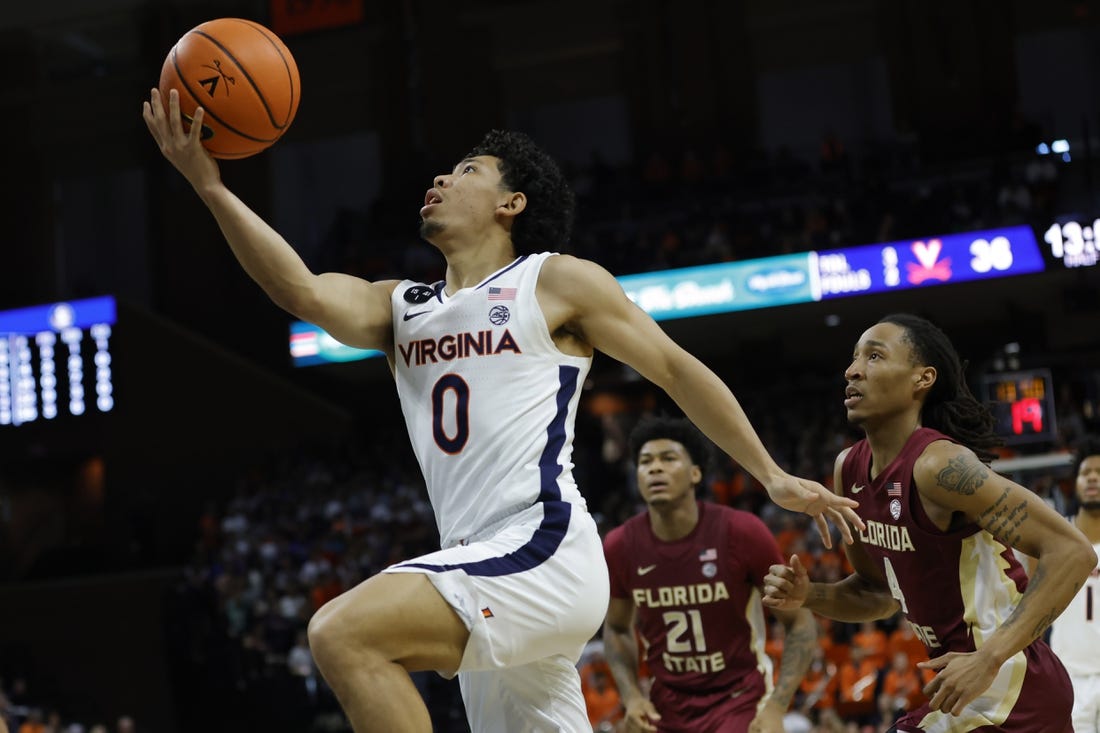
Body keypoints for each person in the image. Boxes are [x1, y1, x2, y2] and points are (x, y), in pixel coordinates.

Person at [142, 88, 861, 733]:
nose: (440, 179)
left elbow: (674, 367)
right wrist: (208, 186)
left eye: (466, 172)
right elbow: (298, 289)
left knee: (341, 632)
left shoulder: (554, 282)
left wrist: (769, 473)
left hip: (540, 546)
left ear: (510, 204)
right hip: (479, 559)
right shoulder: (403, 306)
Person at [762, 313, 1097, 732]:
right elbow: (879, 595)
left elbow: (1073, 552)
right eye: (853, 358)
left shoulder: (940, 466)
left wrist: (990, 656)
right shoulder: (848, 470)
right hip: (965, 695)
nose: (852, 370)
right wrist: (810, 595)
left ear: (923, 379)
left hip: (1014, 691)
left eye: (875, 356)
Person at [603, 416, 818, 732]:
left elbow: (799, 622)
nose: (655, 468)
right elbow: (617, 628)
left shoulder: (742, 532)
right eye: (645, 461)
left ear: (695, 473)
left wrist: (776, 706)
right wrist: (632, 696)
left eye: (668, 458)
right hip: (665, 705)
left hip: (739, 699)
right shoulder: (620, 545)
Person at [1046, 436, 1100, 733]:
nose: (1093, 478)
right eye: (1086, 473)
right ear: (1075, 483)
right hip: (1068, 677)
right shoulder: (1056, 537)